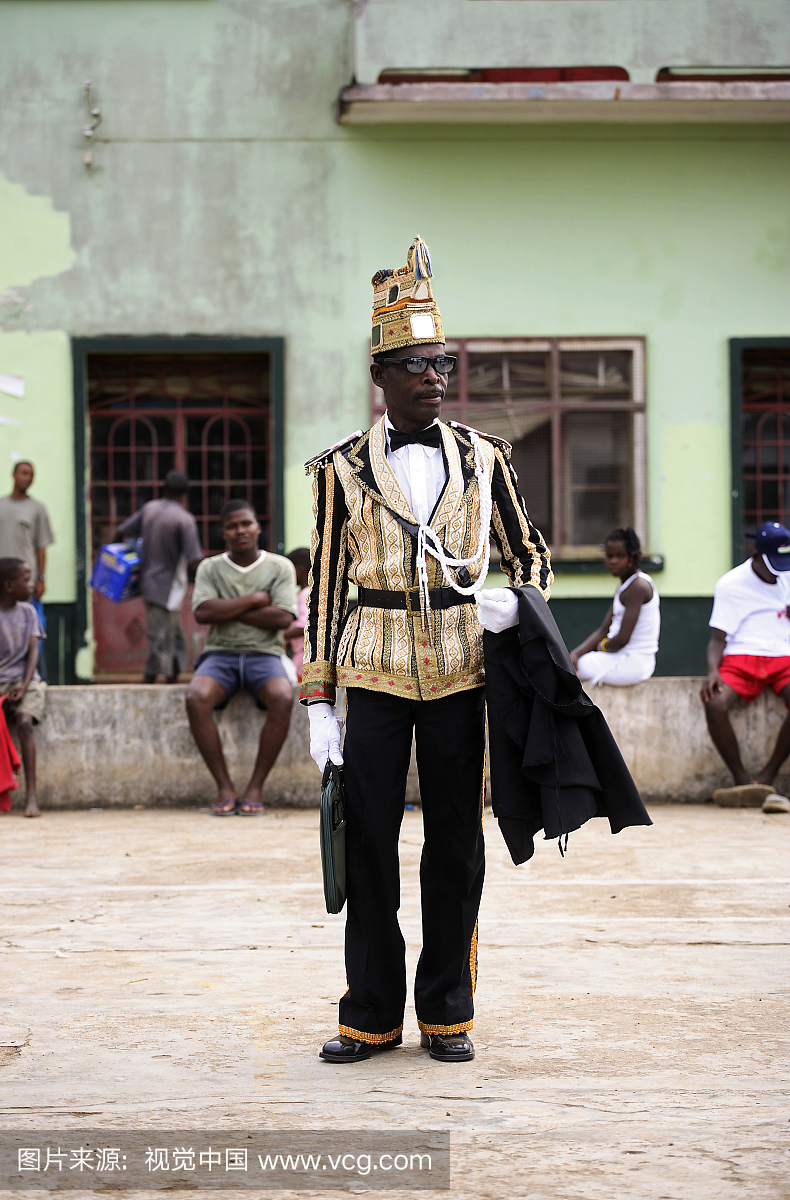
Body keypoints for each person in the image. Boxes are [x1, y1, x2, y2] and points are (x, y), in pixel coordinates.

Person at [302, 236, 551, 1065]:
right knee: (369, 839)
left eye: (441, 363)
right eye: (413, 364)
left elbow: (534, 554)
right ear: (381, 377)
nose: (433, 378)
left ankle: (448, 1012)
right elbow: (327, 584)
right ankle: (368, 1015)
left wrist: (513, 601)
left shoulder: (486, 459)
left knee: (454, 844)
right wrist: (316, 701)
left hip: (459, 670)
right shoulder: (340, 470)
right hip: (370, 670)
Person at [186, 500, 297, 816]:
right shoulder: (210, 567)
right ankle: (224, 786)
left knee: (282, 696)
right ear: (224, 532)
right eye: (232, 526)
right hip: (220, 655)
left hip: (266, 655)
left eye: (246, 523)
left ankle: (255, 786)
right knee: (196, 697)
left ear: (257, 526)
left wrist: (229, 609)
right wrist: (254, 600)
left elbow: (282, 619)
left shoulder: (279, 567)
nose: (240, 530)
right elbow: (203, 612)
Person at [701, 521, 790, 813]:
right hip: (741, 657)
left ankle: (765, 779)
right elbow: (717, 639)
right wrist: (713, 671)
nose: (779, 570)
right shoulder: (731, 584)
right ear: (756, 555)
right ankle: (741, 781)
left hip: (783, 656)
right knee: (714, 703)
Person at [118, 470, 204, 684]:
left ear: (164, 488)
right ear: (185, 493)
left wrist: (116, 560)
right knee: (161, 636)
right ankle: (152, 681)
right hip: (169, 586)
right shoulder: (184, 520)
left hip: (148, 582)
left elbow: (121, 532)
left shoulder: (150, 508)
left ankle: (173, 675)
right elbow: (194, 561)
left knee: (172, 633)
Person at [0, 557, 46, 817]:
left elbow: (33, 652)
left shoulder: (28, 612)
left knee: (24, 723)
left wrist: (24, 686)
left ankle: (31, 795)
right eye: (26, 580)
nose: (31, 584)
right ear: (9, 586)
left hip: (26, 681)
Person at [570, 527, 660, 687]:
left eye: (620, 556)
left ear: (634, 556)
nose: (613, 561)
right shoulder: (625, 585)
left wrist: (600, 647)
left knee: (570, 669)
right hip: (621, 657)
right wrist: (576, 654)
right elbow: (604, 630)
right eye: (609, 556)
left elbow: (622, 640)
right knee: (571, 663)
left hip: (633, 662)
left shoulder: (638, 586)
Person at [0, 461, 54, 681]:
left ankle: (36, 679)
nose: (28, 478)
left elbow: (41, 547)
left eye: (32, 475)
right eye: (24, 473)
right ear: (13, 475)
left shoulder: (37, 508)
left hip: (25, 584)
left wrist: (41, 578)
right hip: (1, 582)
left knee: (33, 630)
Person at [284, 547, 311, 681]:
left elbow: (303, 626)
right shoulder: (303, 593)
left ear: (299, 569)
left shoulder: (305, 594)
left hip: (304, 658)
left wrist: (276, 636)